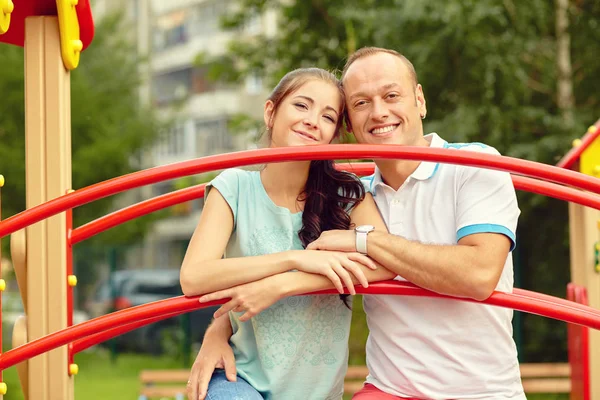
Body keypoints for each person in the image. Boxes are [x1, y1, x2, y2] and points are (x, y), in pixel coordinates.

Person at [192, 47, 524, 400]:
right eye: (362, 103)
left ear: (420, 100)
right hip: (390, 389)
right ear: (349, 125)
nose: (379, 112)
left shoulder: (475, 163)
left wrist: (362, 242)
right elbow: (221, 270)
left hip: (482, 391)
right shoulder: (351, 198)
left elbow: (478, 275)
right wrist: (217, 331)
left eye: (391, 95)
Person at [180, 67, 395, 400]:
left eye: (327, 116)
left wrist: (285, 283)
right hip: (241, 379)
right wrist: (296, 258)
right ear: (271, 112)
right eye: (301, 106)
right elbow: (194, 276)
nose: (312, 120)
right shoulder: (233, 187)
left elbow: (386, 261)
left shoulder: (347, 196)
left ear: (333, 135)